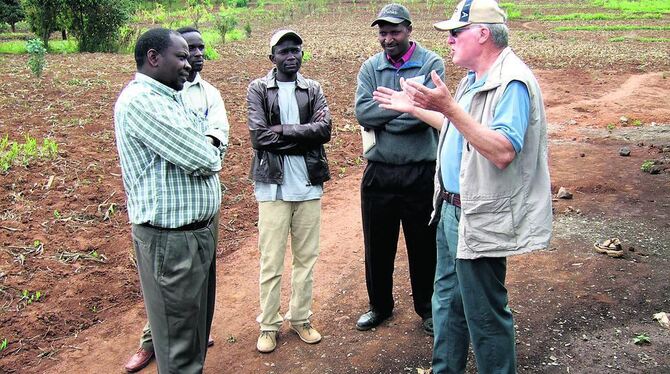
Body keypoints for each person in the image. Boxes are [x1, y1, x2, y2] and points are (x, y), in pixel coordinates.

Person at [372, 0, 553, 372]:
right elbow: (461, 132)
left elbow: (502, 150)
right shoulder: (475, 77)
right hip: (452, 209)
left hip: (480, 212)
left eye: (456, 32)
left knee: (484, 314)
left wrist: (450, 108)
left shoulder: (511, 82)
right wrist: (417, 109)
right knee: (447, 302)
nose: (450, 41)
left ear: (482, 34)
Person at [114, 28, 222, 374]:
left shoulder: (170, 97)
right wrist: (207, 146)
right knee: (178, 348)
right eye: (181, 56)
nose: (189, 62)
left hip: (195, 235)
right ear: (153, 58)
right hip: (171, 242)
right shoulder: (142, 102)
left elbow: (211, 141)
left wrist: (207, 144)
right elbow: (204, 157)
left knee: (194, 332)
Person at [354, 3, 444, 335]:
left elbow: (429, 112)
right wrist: (407, 106)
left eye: (394, 31)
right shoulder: (370, 68)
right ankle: (380, 305)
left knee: (424, 245)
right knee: (377, 246)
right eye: (383, 32)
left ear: (409, 30)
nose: (388, 38)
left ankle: (428, 309)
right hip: (379, 172)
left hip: (421, 172)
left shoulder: (431, 63)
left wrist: (393, 108)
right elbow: (363, 114)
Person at [247, 29, 331, 353]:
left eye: (296, 50)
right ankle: (269, 325)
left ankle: (301, 319)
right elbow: (258, 137)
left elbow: (324, 129)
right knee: (271, 261)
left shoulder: (313, 89)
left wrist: (281, 131)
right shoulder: (258, 89)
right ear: (272, 58)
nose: (291, 56)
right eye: (283, 51)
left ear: (302, 54)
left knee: (306, 259)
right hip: (272, 188)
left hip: (308, 186)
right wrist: (303, 138)